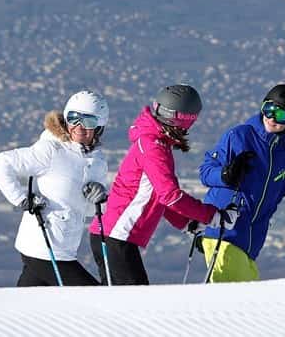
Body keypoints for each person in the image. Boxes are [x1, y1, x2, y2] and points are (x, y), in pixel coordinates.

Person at [88, 83, 231, 284]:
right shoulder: (153, 146)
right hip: (116, 236)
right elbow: (171, 196)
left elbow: (158, 195)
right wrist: (212, 215)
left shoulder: (154, 142)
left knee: (127, 303)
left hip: (115, 235)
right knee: (133, 306)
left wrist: (186, 222)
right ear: (185, 122)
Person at [0, 90, 111, 287]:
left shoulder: (97, 162)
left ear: (100, 126)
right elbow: (0, 164)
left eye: (88, 121)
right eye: (73, 118)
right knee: (93, 298)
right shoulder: (51, 150)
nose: (79, 126)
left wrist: (100, 199)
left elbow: (86, 211)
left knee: (30, 302)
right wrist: (21, 198)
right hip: (43, 247)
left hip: (64, 248)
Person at [196, 83, 285, 282]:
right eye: (269, 109)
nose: (271, 118)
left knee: (248, 298)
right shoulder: (239, 136)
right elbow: (205, 172)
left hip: (252, 241)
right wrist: (225, 175)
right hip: (225, 231)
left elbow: (275, 200)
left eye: (281, 116)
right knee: (233, 300)